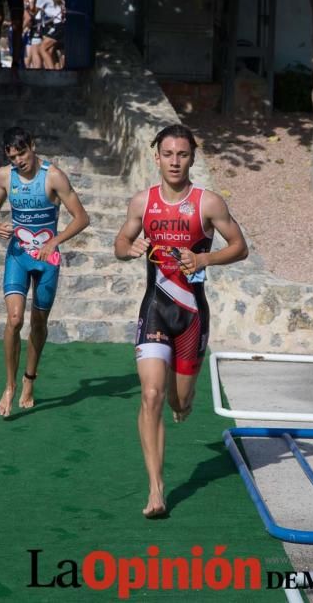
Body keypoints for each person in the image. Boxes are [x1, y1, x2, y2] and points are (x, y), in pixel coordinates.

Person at [114, 124, 248, 517]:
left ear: (192, 157)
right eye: (168, 154)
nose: (175, 161)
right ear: (157, 157)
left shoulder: (208, 204)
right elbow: (120, 243)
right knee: (151, 396)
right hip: (154, 307)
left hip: (191, 316)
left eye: (182, 155)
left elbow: (240, 247)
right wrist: (130, 248)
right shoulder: (143, 203)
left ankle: (182, 398)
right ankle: (156, 489)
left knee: (179, 400)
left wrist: (205, 258)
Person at [0, 127, 90, 418]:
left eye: (22, 153)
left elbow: (82, 218)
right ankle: (9, 386)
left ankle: (29, 379)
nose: (19, 160)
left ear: (33, 146)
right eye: (13, 156)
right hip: (19, 256)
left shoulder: (53, 176)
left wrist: (55, 241)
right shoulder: (4, 177)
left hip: (47, 259)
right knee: (15, 319)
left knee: (38, 322)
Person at [31, 0, 64, 70]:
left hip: (59, 25)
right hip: (63, 24)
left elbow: (34, 12)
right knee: (50, 51)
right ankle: (57, 71)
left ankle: (52, 73)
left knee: (42, 48)